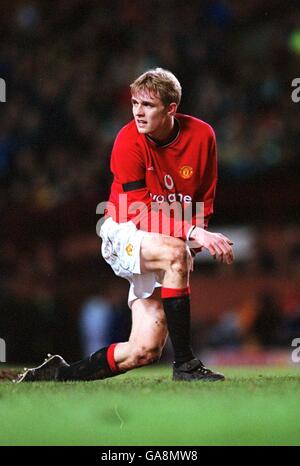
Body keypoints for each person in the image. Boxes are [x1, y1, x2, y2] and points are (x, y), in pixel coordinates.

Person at [16, 68, 234, 383]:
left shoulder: (202, 136)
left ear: (171, 109)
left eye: (148, 105)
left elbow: (203, 200)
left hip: (164, 236)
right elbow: (139, 211)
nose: (138, 112)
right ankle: (186, 365)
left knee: (143, 350)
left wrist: (194, 240)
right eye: (134, 103)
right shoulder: (128, 140)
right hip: (123, 228)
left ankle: (57, 375)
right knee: (175, 253)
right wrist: (190, 235)